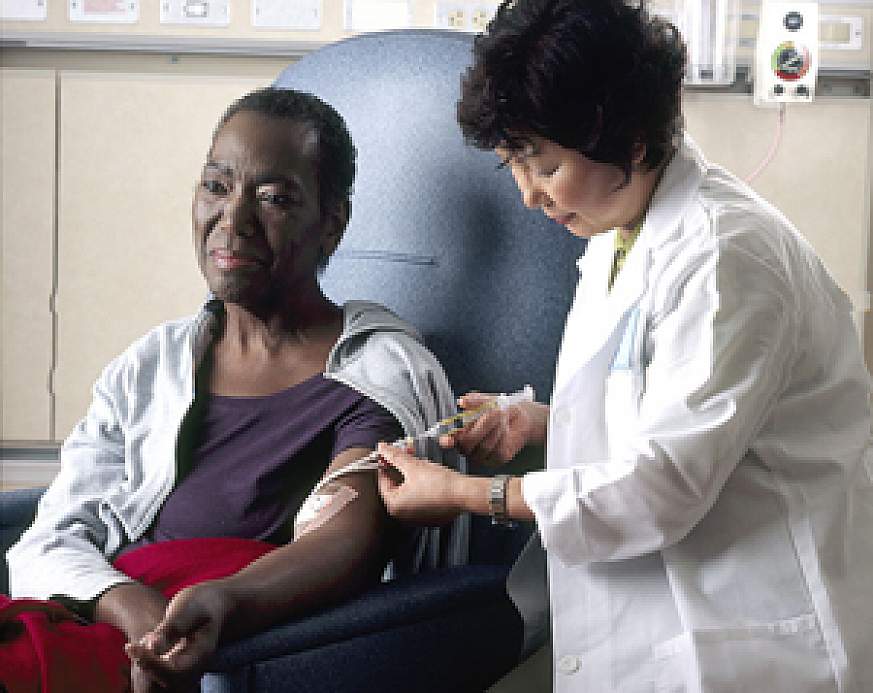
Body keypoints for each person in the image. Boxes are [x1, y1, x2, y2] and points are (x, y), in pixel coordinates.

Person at [376, 1, 873, 691]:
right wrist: (546, 425)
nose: (528, 195)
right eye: (512, 165)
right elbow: (664, 417)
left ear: (631, 139)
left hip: (757, 643)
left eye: (544, 164)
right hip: (659, 620)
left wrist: (467, 493)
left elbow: (659, 487)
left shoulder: (726, 256)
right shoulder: (617, 229)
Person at [5, 86, 461, 692]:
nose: (234, 220)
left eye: (273, 198)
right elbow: (52, 538)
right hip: (114, 615)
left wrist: (219, 604)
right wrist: (130, 607)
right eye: (216, 187)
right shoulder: (151, 368)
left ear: (332, 223)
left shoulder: (372, 373)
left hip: (237, 634)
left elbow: (346, 535)